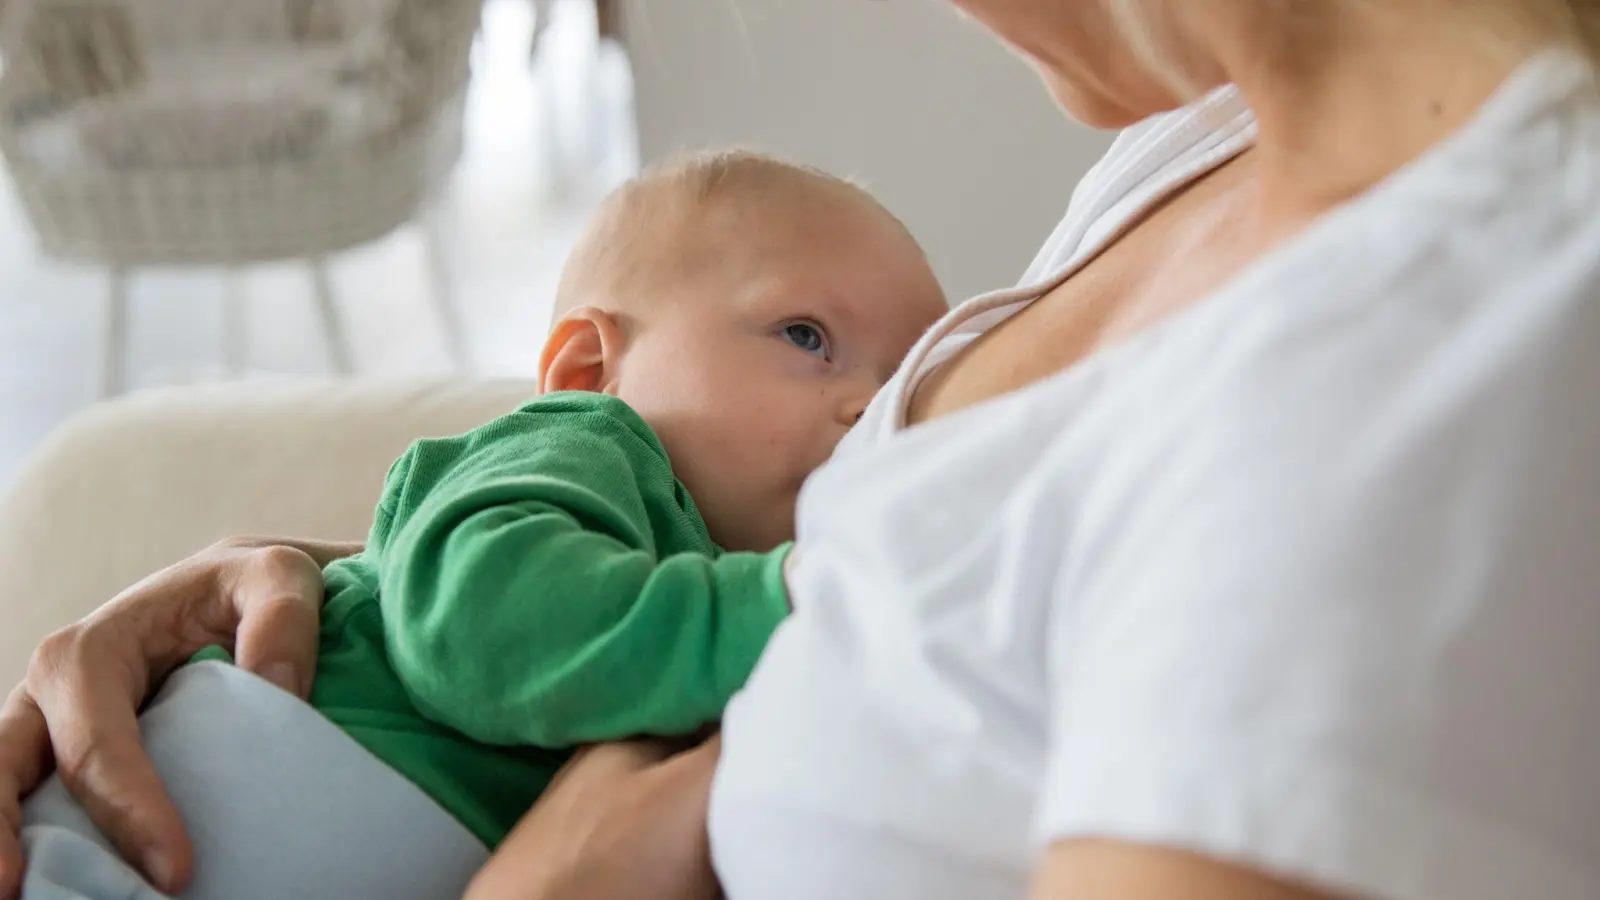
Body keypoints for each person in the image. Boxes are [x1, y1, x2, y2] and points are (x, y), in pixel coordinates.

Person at [5, 1, 1600, 899]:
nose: (863, 408)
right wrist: (311, 578)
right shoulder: (1198, 144)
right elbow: (511, 609)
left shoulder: (1462, 346)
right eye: (811, 343)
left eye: (884, 367)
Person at [4, 151, 946, 900]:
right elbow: (488, 622)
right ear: (589, 369)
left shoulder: (677, 600)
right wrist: (790, 601)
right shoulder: (584, 444)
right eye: (807, 337)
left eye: (908, 390)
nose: (871, 408)